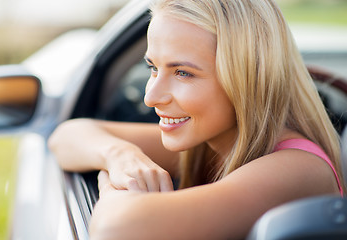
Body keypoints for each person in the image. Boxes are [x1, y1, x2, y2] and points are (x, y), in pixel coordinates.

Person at [48, 0, 345, 239]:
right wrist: (120, 157)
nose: (151, 97)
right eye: (153, 67)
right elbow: (67, 135)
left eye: (182, 73)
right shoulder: (210, 145)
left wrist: (111, 183)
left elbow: (116, 229)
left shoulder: (297, 168)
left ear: (248, 79)